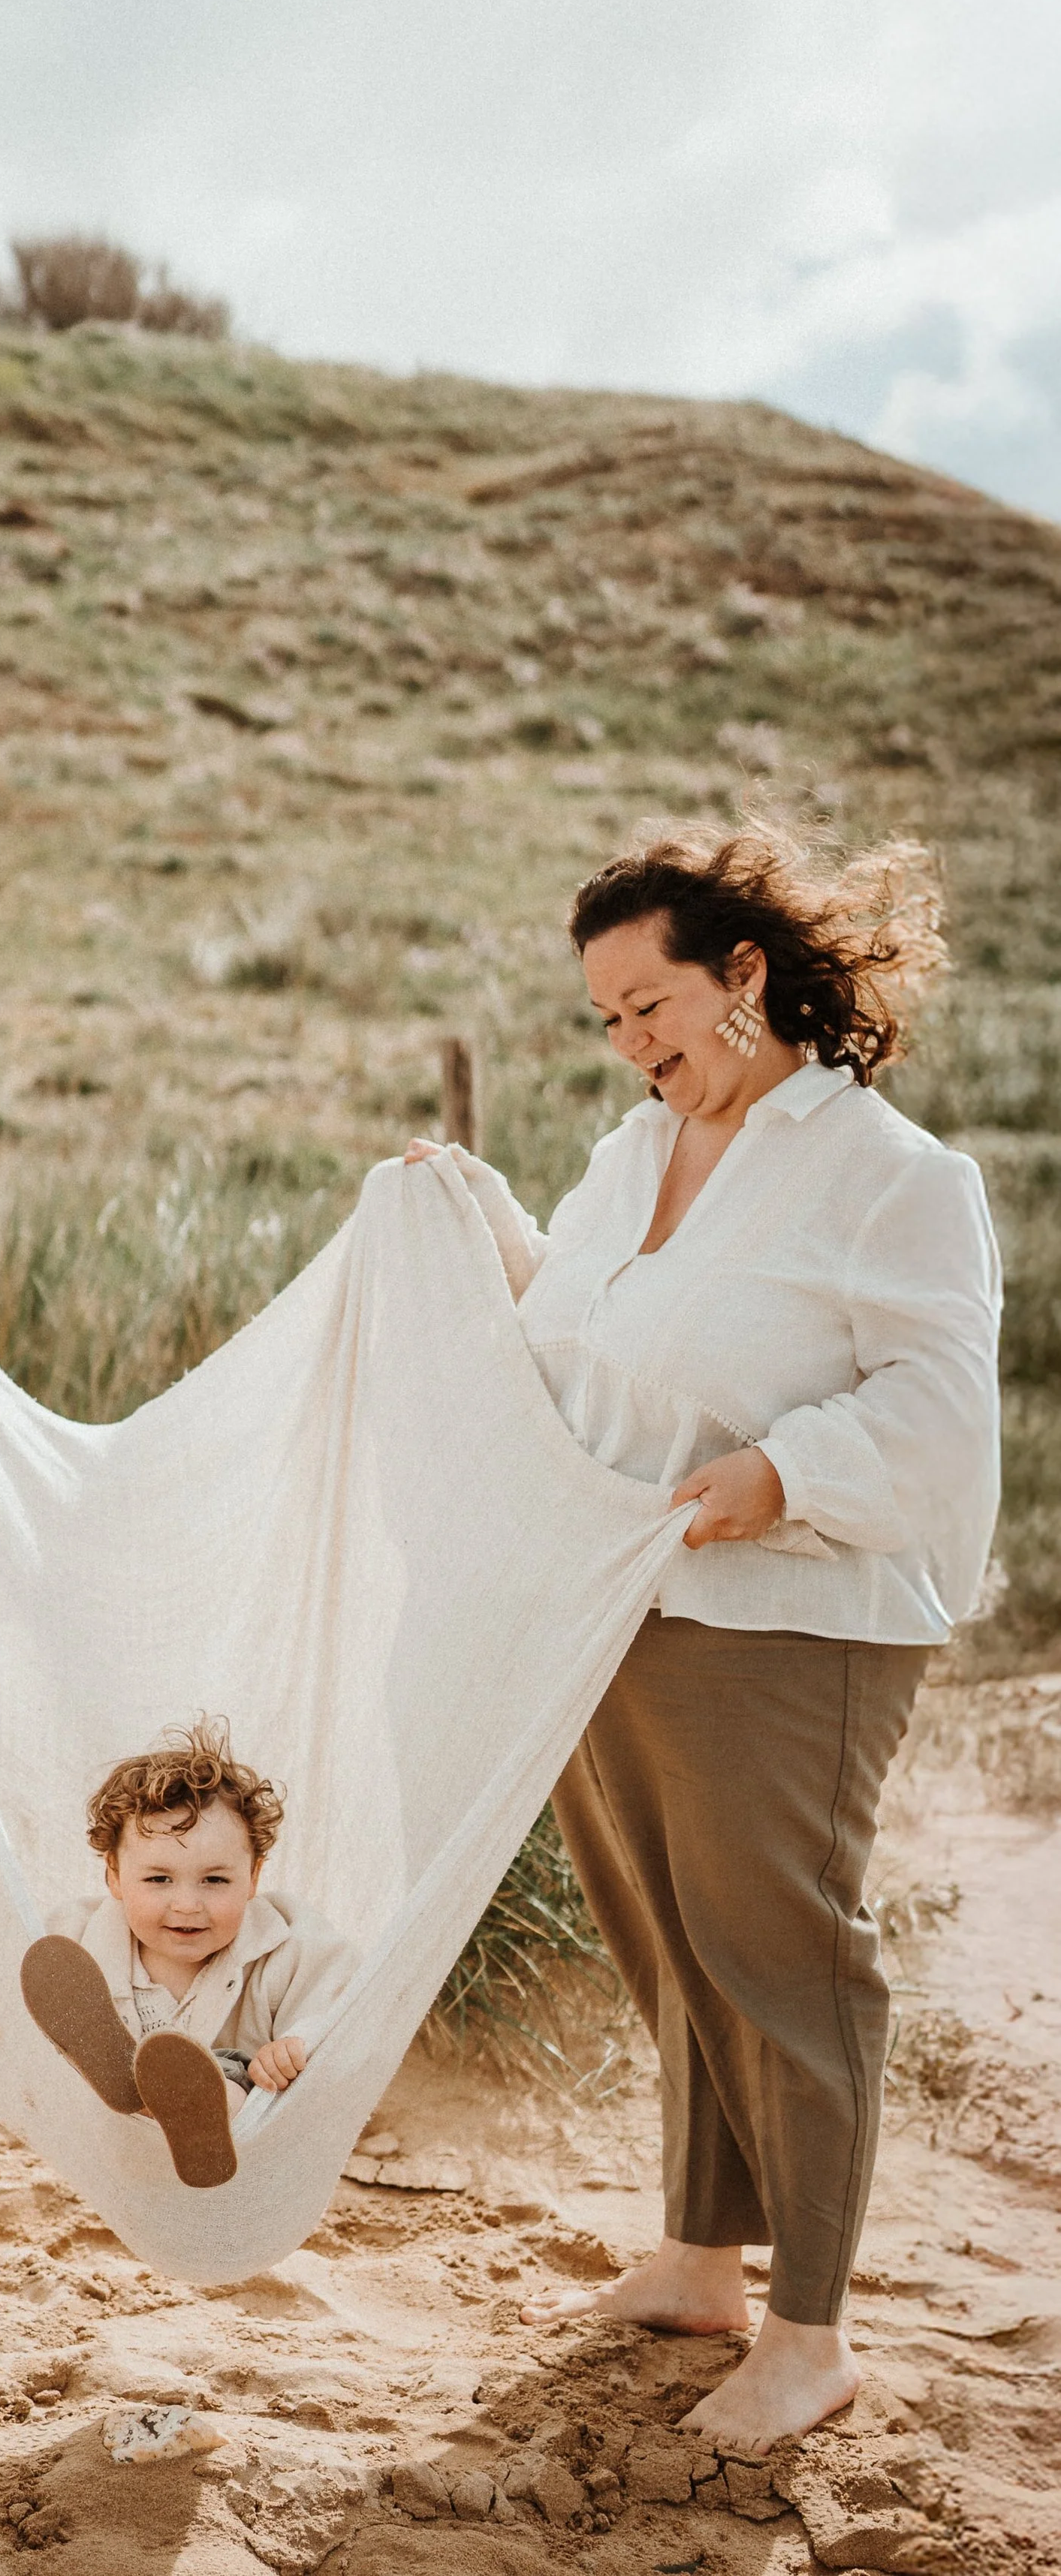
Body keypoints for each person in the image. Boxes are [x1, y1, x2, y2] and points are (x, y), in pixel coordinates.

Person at [408, 823, 999, 2456]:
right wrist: (469, 1227)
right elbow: (578, 1338)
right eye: (601, 1020)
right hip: (621, 1607)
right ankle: (694, 2263)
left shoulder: (892, 1177)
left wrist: (780, 1473)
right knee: (668, 1943)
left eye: (647, 1003)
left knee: (781, 1962)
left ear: (744, 973)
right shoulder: (625, 1158)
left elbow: (943, 1418)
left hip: (788, 1621)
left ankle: (806, 2333)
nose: (629, 1044)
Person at [19, 1722, 359, 2188]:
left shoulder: (287, 1944)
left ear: (254, 1877)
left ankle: (175, 2105)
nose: (187, 1904)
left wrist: (296, 2045)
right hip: (113, 2141)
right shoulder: (76, 1940)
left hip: (237, 2133)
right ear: (114, 1877)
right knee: (76, 2040)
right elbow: (22, 1992)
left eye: (215, 1881)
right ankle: (127, 2082)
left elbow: (340, 1999)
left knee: (231, 2083)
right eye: (159, 1880)